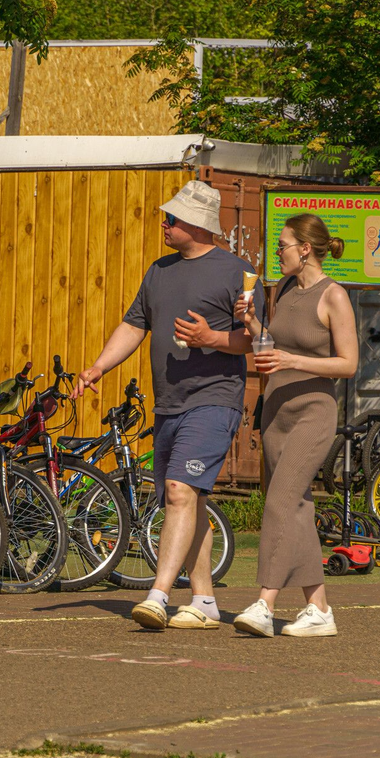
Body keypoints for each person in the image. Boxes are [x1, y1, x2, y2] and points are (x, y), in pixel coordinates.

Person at [71, 180, 264, 631]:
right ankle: (205, 602)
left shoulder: (238, 271)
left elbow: (252, 338)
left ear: (196, 224)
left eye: (172, 218)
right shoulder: (159, 271)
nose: (164, 223)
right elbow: (134, 325)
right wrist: (98, 367)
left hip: (214, 400)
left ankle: (158, 595)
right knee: (186, 499)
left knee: (179, 492)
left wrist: (212, 338)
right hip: (168, 406)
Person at [231, 213, 358, 638]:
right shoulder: (283, 289)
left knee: (281, 501)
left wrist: (292, 361)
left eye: (283, 245)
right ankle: (318, 609)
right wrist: (250, 324)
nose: (277, 253)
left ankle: (264, 603)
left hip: (313, 413)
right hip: (276, 413)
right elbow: (272, 345)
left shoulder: (334, 296)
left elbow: (349, 363)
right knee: (297, 507)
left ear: (305, 249)